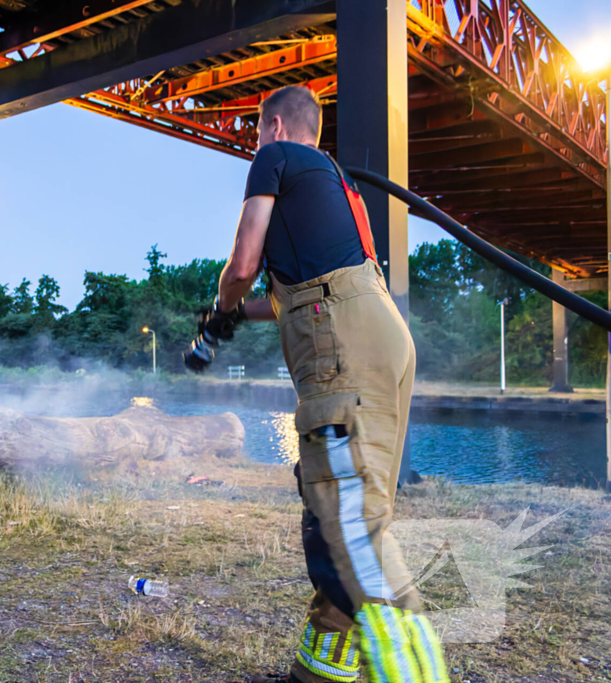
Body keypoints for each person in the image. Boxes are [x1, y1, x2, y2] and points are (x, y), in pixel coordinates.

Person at [199, 86, 450, 683]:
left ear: (275, 125)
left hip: (342, 343)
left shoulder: (274, 156)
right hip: (382, 334)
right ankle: (319, 672)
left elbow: (242, 265)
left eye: (257, 132)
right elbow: (293, 294)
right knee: (353, 509)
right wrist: (240, 315)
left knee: (347, 519)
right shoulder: (335, 182)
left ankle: (416, 670)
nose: (255, 143)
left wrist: (218, 310)